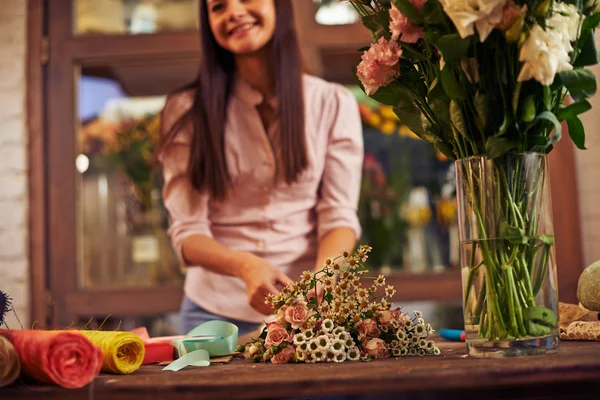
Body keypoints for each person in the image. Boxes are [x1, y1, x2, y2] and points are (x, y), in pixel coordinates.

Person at [157, 0, 364, 336]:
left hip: (310, 311)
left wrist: (321, 282)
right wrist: (244, 265)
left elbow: (339, 217)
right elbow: (188, 232)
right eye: (218, 7)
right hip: (212, 313)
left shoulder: (332, 102)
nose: (234, 12)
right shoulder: (186, 111)